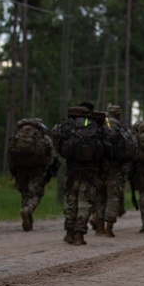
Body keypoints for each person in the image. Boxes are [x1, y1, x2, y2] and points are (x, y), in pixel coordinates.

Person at [51, 101, 111, 246]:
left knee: (71, 201)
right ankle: (79, 234)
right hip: (91, 171)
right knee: (85, 202)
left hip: (72, 170)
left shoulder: (69, 123)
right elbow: (109, 145)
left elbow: (56, 136)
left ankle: (69, 233)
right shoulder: (98, 124)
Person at [92, 104, 135, 238]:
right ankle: (109, 228)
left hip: (99, 168)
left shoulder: (98, 128)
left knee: (100, 197)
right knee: (113, 197)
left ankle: (99, 228)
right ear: (119, 115)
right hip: (115, 169)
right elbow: (132, 149)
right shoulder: (123, 130)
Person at [8, 118, 58, 231]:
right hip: (37, 169)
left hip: (20, 170)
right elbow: (53, 156)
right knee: (36, 194)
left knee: (25, 193)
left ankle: (27, 218)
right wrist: (49, 170)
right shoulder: (43, 138)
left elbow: (12, 154)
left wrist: (13, 171)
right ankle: (28, 210)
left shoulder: (18, 136)